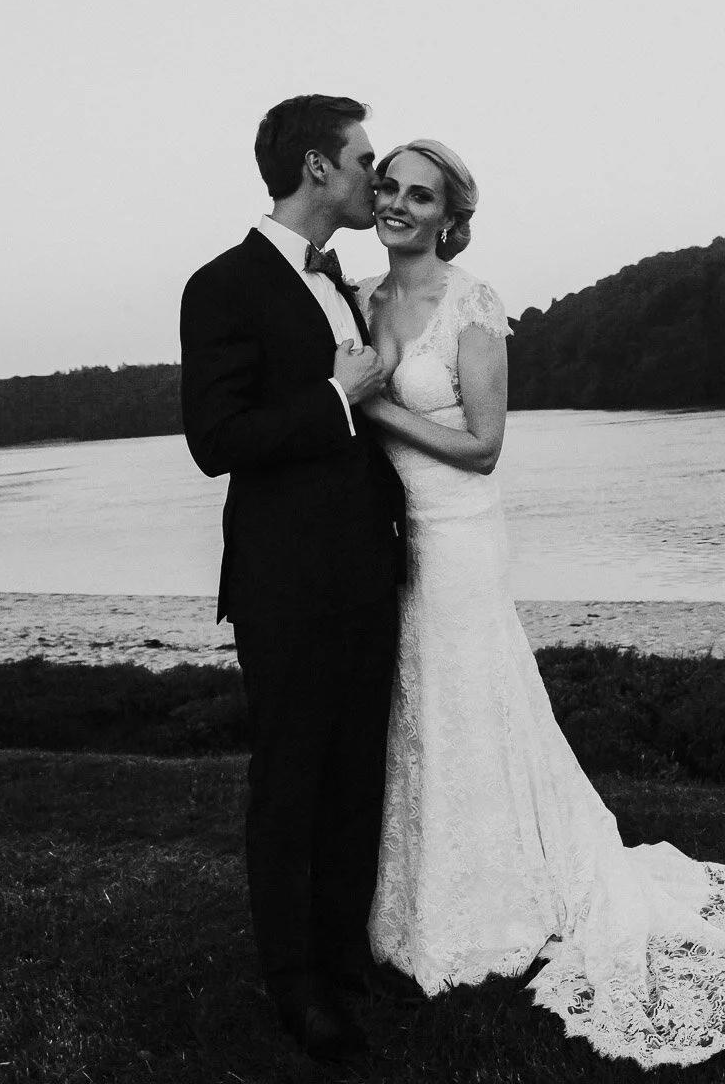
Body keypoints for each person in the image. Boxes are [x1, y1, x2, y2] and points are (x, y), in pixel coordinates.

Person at [355, 138, 725, 1070]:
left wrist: (365, 406)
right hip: (395, 539)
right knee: (422, 713)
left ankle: (514, 896)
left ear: (450, 215)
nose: (398, 204)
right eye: (388, 187)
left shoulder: (471, 304)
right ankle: (425, 893)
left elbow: (485, 444)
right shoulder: (363, 299)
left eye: (420, 194)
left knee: (471, 697)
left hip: (461, 538)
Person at [179, 95, 415, 1063]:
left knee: (357, 775)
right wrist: (333, 396)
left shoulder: (343, 281)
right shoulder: (223, 284)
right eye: (363, 160)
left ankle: (342, 953)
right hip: (284, 583)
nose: (375, 176)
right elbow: (215, 440)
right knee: (290, 785)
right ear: (317, 167)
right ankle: (297, 986)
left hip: (367, 570)